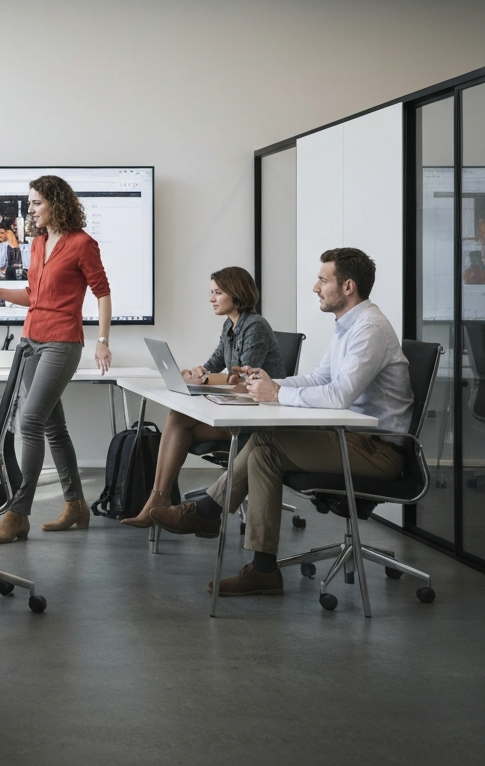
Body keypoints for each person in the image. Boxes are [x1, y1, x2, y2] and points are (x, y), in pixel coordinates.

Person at [151, 248, 413, 597]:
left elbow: (338, 396)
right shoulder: (348, 326)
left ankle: (208, 510)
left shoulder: (369, 329)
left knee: (265, 442)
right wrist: (271, 384)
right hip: (350, 440)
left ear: (348, 286)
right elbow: (319, 378)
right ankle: (262, 569)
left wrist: (276, 395)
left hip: (378, 452)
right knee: (263, 451)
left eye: (323, 279)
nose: (315, 287)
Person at [0, 175, 112, 541]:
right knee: (51, 425)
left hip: (62, 343)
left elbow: (103, 293)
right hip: (31, 340)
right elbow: (33, 295)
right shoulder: (38, 243)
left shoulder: (82, 244)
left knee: (29, 420)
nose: (30, 210)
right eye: (30, 203)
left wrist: (103, 340)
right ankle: (76, 504)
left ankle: (18, 513)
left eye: (36, 203)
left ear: (56, 203)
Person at [122, 267, 283, 528]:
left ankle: (163, 503)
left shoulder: (256, 327)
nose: (211, 299)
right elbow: (214, 364)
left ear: (237, 294)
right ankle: (159, 500)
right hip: (237, 411)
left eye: (218, 292)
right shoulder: (229, 327)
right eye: (212, 292)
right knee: (178, 419)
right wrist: (199, 373)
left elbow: (243, 380)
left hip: (256, 419)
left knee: (179, 423)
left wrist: (207, 380)